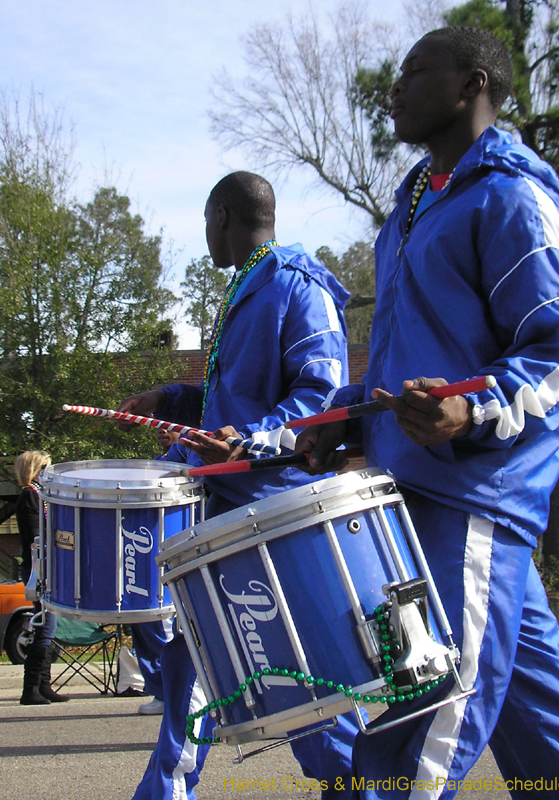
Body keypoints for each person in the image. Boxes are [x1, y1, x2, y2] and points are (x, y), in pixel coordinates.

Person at [297, 26, 559, 799]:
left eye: (416, 71)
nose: (395, 85)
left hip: (475, 498)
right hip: (411, 491)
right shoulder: (414, 203)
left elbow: (553, 354)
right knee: (543, 715)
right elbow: (407, 365)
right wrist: (346, 415)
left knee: (426, 710)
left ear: (469, 83)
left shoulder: (511, 193)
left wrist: (467, 410)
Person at [118, 171, 356, 800]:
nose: (204, 234)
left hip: (271, 519)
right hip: (223, 511)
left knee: (304, 682)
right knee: (191, 664)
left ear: (222, 215)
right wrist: (173, 396)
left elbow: (319, 396)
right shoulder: (248, 286)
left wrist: (248, 442)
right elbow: (240, 398)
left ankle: (358, 784)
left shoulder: (296, 284)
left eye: (203, 221)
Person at [130, 427, 181, 716]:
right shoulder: (152, 466)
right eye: (158, 428)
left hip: (172, 555)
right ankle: (159, 691)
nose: (162, 431)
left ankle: (172, 694)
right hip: (143, 553)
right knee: (142, 623)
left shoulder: (188, 465)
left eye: (170, 426)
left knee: (164, 627)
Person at [15, 450, 69, 704]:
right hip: (39, 566)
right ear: (35, 469)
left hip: (50, 564)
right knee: (45, 625)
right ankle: (31, 687)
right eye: (46, 466)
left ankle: (44, 684)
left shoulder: (44, 496)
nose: (50, 470)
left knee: (51, 625)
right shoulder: (30, 495)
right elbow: (34, 534)